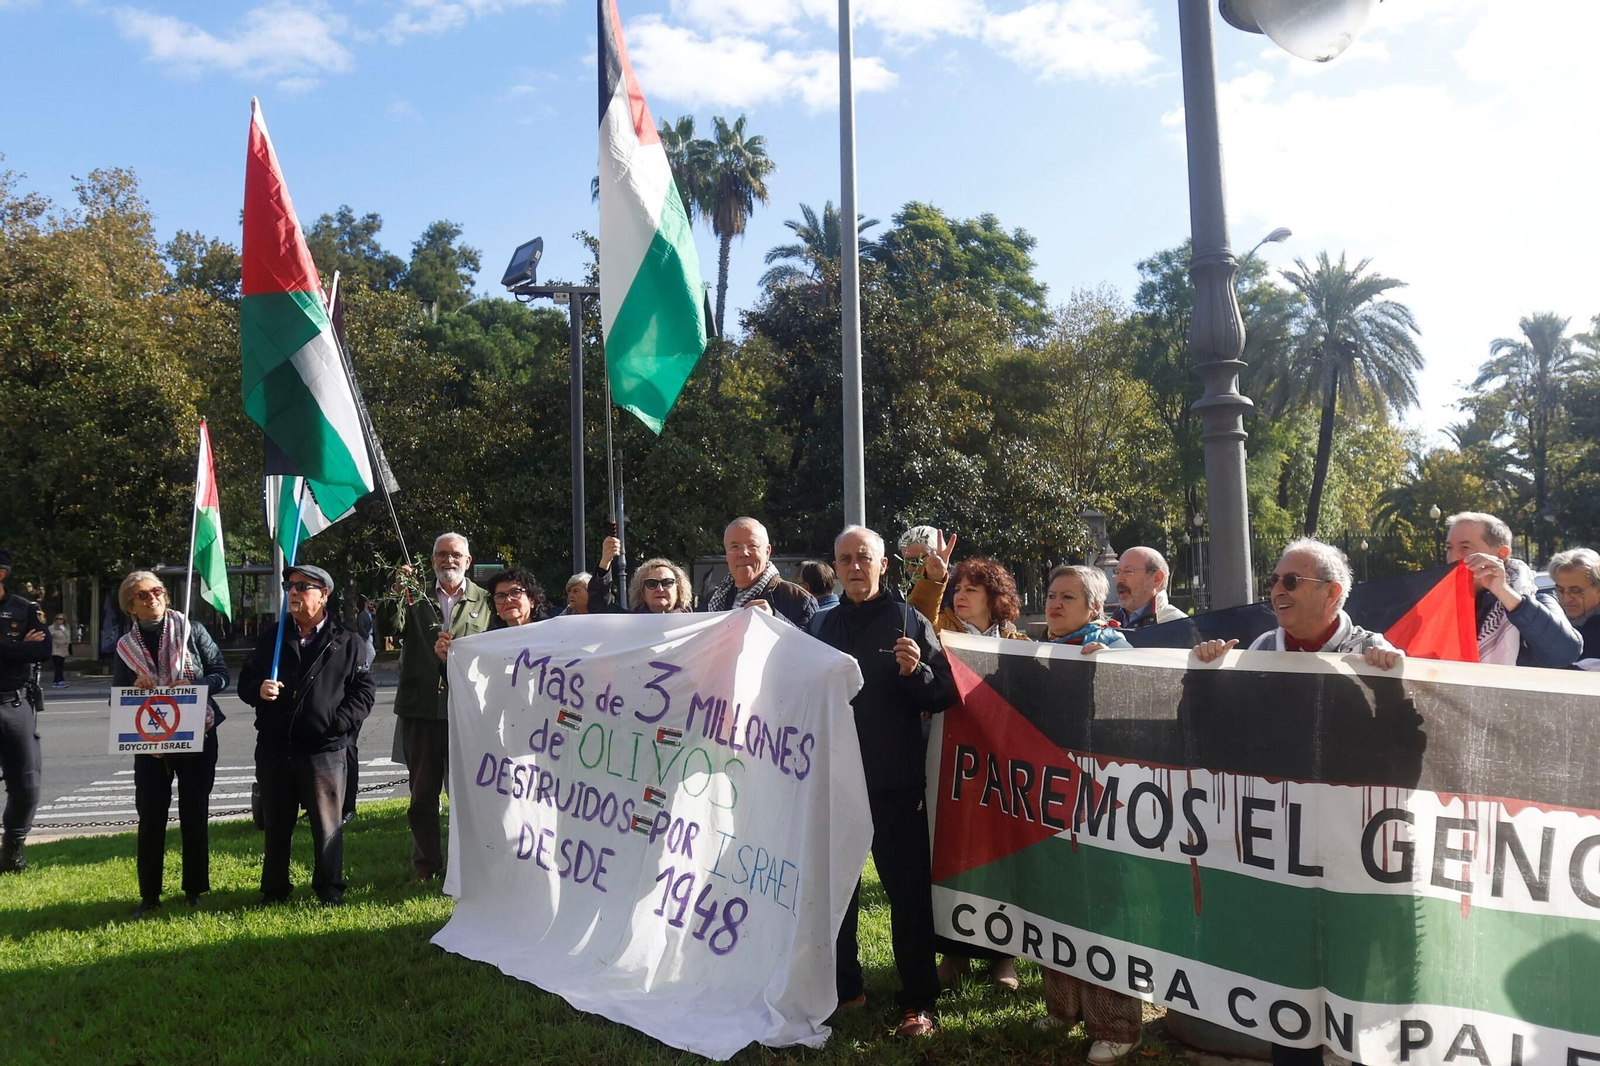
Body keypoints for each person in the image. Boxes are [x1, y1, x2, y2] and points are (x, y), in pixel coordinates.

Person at [1190, 539, 1396, 1066]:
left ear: (1334, 593)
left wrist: (1393, 684)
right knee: (1289, 965)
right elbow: (1221, 737)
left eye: (1291, 581)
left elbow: (1405, 749)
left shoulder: (1377, 653)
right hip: (1282, 842)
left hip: (1352, 846)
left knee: (1352, 964)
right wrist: (1205, 678)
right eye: (1275, 580)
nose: (1276, 591)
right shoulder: (1258, 649)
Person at [815, 525, 954, 1038]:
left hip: (895, 784)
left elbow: (943, 695)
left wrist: (915, 672)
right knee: (837, 895)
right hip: (834, 781)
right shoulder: (821, 626)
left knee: (907, 897)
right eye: (845, 558)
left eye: (864, 558)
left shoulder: (909, 619)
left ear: (883, 565)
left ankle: (918, 1002)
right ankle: (844, 988)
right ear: (836, 564)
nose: (854, 566)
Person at [906, 543, 1028, 992]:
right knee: (950, 854)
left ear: (995, 598)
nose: (961, 595)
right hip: (944, 763)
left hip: (997, 772)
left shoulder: (1016, 644)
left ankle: (1002, 958)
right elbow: (915, 613)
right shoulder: (939, 631)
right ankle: (954, 952)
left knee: (997, 858)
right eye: (957, 588)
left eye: (972, 589)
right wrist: (934, 579)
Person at [239, 563, 374, 906]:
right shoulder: (274, 636)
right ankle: (274, 890)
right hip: (274, 747)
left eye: (302, 587)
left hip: (323, 750)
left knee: (327, 825)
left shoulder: (348, 641)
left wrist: (338, 723)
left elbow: (364, 692)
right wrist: (259, 689)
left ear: (323, 594)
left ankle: (329, 889)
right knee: (276, 825)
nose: (294, 593)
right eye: (290, 587)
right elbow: (244, 682)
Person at [112, 571, 229, 916]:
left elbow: (220, 673)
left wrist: (194, 688)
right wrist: (136, 686)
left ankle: (194, 889)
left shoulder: (192, 630)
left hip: (197, 732)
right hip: (150, 744)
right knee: (151, 817)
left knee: (194, 813)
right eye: (143, 595)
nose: (153, 598)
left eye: (157, 591)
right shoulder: (124, 647)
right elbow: (117, 695)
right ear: (130, 606)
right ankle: (149, 895)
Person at [380, 532, 493, 882]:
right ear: (431, 562)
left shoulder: (486, 600)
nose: (449, 560)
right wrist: (396, 591)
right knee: (422, 795)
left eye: (456, 554)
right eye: (441, 555)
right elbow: (385, 628)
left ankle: (469, 866)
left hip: (469, 712)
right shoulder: (413, 596)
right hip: (422, 709)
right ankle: (426, 865)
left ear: (468, 561)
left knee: (469, 795)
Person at [1443, 512, 1581, 667]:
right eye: (1449, 548)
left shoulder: (1538, 598)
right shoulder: (1438, 604)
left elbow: (1566, 653)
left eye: (1465, 547)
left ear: (1501, 554)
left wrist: (1504, 592)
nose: (1453, 557)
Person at [0, 547, 49, 874]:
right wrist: (19, 648)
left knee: (27, 783)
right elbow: (27, 650)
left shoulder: (24, 609)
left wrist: (12, 651)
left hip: (13, 702)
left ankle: (12, 852)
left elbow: (43, 649)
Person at [704, 517, 816, 627]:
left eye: (752, 545)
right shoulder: (712, 602)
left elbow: (811, 644)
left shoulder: (799, 601)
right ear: (727, 555)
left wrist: (774, 620)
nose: (743, 553)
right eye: (734, 547)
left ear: (767, 552)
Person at [588, 538, 695, 613]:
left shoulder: (695, 625)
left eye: (667, 583)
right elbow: (599, 605)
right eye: (652, 584)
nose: (660, 589)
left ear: (679, 589)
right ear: (642, 592)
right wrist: (606, 561)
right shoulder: (630, 623)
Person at [1043, 565, 1131, 652]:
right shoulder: (1037, 645)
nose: (1055, 605)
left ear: (1095, 607)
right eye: (1051, 596)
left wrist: (1108, 663)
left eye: (1067, 597)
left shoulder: (1116, 648)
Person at [1107, 547, 1186, 628]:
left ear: (1157, 579)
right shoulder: (1104, 630)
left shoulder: (1181, 628)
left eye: (1128, 571)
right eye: (1117, 572)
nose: (1119, 580)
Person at [1547, 548, 1600, 668]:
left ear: (1598, 590)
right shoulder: (1552, 619)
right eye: (1560, 590)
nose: (1566, 599)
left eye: (1576, 591)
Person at [49, 612, 69, 687]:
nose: (59, 620)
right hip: (56, 649)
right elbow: (49, 636)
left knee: (61, 666)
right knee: (58, 665)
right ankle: (58, 681)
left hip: (63, 649)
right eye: (57, 619)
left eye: (61, 619)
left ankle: (60, 680)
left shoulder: (65, 627)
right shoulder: (52, 627)